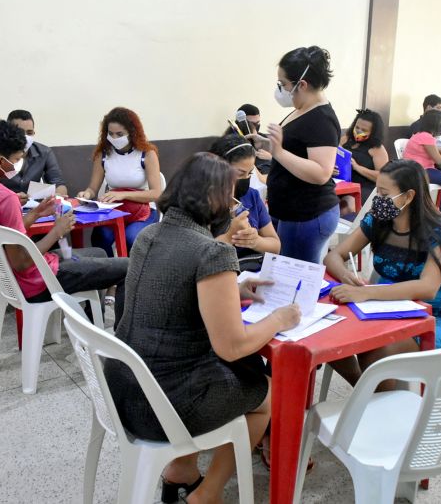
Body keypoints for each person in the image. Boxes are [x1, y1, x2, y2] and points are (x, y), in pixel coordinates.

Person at [104, 153, 300, 504]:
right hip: (163, 405)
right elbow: (232, 347)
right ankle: (208, 493)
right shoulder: (211, 251)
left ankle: (181, 470)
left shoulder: (149, 234)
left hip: (122, 389)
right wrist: (280, 319)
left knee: (206, 364)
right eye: (229, 194)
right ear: (213, 198)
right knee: (267, 395)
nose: (233, 203)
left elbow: (169, 292)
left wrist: (231, 291)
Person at [0, 120, 130, 323]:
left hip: (16, 276)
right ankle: (123, 335)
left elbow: (6, 234)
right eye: (16, 159)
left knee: (100, 252)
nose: (18, 164)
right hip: (37, 280)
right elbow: (21, 262)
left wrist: (36, 214)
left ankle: (93, 325)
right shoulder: (5, 198)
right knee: (129, 267)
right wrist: (57, 232)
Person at [325, 159, 441, 386]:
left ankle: (375, 397)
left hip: (429, 316)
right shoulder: (379, 220)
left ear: (408, 196)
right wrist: (346, 275)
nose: (378, 201)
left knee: (376, 352)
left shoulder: (440, 230)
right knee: (328, 336)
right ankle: (368, 391)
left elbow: (427, 288)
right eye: (377, 193)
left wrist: (367, 293)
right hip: (382, 307)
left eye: (385, 195)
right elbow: (333, 256)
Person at [248, 46, 341, 264]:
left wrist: (278, 151)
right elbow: (294, 150)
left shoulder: (322, 119)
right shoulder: (302, 108)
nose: (279, 89)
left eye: (283, 84)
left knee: (294, 281)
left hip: (307, 214)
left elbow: (321, 173)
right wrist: (266, 144)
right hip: (288, 210)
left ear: (302, 85)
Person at [77, 107, 162, 256]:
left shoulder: (147, 154)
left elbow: (156, 194)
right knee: (100, 236)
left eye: (120, 134)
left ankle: (130, 276)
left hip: (144, 210)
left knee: (132, 238)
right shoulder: (103, 154)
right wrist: (86, 194)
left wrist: (123, 195)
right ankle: (111, 273)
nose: (114, 138)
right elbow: (92, 188)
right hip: (113, 211)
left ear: (132, 132)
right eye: (110, 134)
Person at [208, 134, 281, 272]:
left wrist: (256, 241)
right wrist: (229, 236)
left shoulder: (251, 196)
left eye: (249, 174)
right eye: (240, 174)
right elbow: (199, 255)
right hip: (218, 276)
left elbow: (275, 246)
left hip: (251, 272)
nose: (245, 179)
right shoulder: (203, 201)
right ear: (218, 168)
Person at [2, 110, 68, 203]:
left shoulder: (44, 152)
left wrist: (57, 196)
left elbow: (59, 184)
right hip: (4, 209)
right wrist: (12, 200)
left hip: (35, 209)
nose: (25, 138)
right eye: (20, 132)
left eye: (29, 133)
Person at [339, 108, 390, 208]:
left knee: (346, 206)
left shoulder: (377, 149)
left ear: (373, 132)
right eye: (357, 127)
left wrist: (357, 167)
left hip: (363, 188)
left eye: (364, 130)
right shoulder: (345, 139)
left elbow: (383, 176)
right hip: (341, 183)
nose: (358, 131)